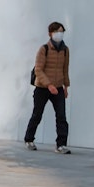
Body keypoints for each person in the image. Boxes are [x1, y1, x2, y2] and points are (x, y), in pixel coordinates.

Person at [24, 22, 71, 154]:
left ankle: (61, 144)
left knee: (61, 116)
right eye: (57, 31)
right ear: (50, 33)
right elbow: (38, 70)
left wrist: (66, 86)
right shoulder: (43, 49)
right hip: (42, 88)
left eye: (62, 31)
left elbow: (65, 69)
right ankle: (29, 139)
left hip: (58, 87)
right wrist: (49, 85)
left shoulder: (65, 50)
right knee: (37, 114)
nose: (60, 34)